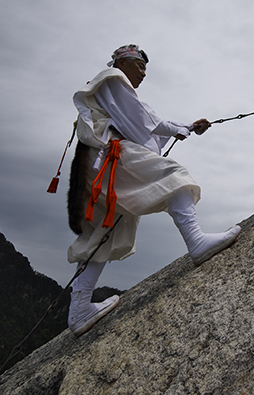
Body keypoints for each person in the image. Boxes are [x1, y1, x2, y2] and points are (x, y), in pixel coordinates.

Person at [65, 44, 241, 337]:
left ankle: (79, 308)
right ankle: (196, 241)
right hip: (112, 157)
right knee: (174, 176)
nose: (144, 73)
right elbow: (140, 121)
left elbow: (142, 120)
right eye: (140, 66)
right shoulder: (112, 78)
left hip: (99, 165)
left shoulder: (108, 86)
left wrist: (184, 127)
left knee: (105, 232)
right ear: (123, 61)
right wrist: (178, 129)